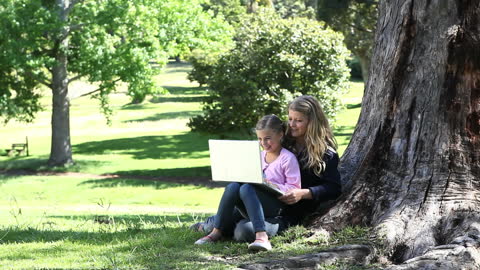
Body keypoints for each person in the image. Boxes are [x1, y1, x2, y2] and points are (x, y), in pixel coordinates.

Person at [192, 95, 341, 244]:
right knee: (215, 223)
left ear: (312, 122)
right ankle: (209, 226)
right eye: (290, 119)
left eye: (299, 120)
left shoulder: (326, 154)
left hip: (286, 212)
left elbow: (334, 188)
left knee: (243, 231)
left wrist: (304, 193)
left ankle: (233, 226)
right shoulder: (283, 142)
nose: (292, 124)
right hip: (257, 200)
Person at [194, 114, 301, 251]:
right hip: (250, 202)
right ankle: (216, 232)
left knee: (246, 188)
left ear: (280, 135)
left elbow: (294, 188)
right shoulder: (259, 156)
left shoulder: (287, 158)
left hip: (275, 205)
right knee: (234, 186)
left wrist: (271, 185)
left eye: (268, 139)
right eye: (260, 139)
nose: (264, 143)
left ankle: (262, 237)